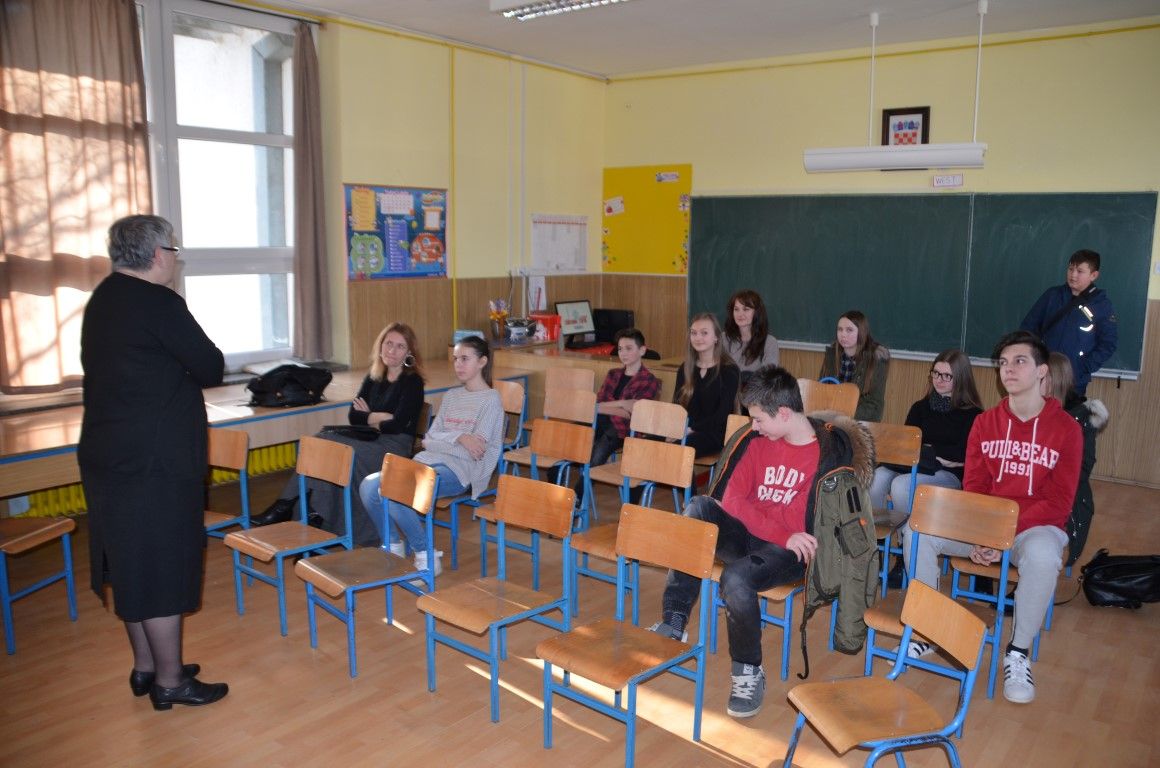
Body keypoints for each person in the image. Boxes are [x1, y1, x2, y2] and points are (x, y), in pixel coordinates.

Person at [650, 365, 874, 718]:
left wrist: (778, 531)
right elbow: (732, 501)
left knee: (736, 578)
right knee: (697, 508)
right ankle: (674, 619)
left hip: (790, 553)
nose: (753, 426)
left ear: (783, 413)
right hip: (767, 536)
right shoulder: (757, 443)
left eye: (758, 419)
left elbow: (799, 526)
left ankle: (748, 670)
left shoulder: (825, 456)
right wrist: (778, 529)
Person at [78, 215, 228, 710]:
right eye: (174, 250)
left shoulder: (103, 298)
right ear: (159, 254)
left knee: (131, 563)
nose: (176, 258)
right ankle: (170, 680)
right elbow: (210, 366)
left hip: (107, 455)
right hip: (155, 462)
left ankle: (146, 666)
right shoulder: (159, 302)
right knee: (162, 565)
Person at [902, 331, 1081, 704]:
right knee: (916, 532)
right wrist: (982, 534)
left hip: (1034, 528)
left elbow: (1059, 502)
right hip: (985, 523)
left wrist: (1001, 538)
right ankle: (930, 631)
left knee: (1044, 555)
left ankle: (1017, 652)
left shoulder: (1067, 429)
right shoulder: (985, 423)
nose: (1009, 369)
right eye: (1003, 363)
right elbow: (975, 488)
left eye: (1020, 361)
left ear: (1042, 371)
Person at [253, 323, 425, 546]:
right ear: (380, 346)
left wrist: (369, 416)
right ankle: (308, 513)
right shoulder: (374, 376)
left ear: (409, 352)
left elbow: (397, 426)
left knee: (336, 451)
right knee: (318, 442)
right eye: (388, 343)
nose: (392, 350)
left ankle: (295, 509)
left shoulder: (413, 382)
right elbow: (354, 416)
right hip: (368, 437)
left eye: (400, 346)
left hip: (393, 447)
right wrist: (380, 416)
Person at [358, 335, 503, 577]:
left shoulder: (491, 400)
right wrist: (459, 437)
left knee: (398, 490)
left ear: (482, 362)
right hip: (427, 461)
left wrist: (445, 440)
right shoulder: (452, 395)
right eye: (455, 359)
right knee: (369, 486)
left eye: (465, 359)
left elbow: (475, 452)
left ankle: (426, 555)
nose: (458, 364)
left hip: (461, 471)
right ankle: (393, 545)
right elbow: (427, 440)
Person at [869, 349, 983, 585]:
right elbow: (907, 446)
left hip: (948, 475)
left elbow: (961, 456)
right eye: (936, 373)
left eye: (947, 376)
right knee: (876, 478)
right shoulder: (920, 408)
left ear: (961, 379)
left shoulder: (973, 415)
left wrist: (930, 451)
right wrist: (933, 453)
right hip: (914, 465)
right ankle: (875, 550)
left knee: (902, 486)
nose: (939, 380)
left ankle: (905, 553)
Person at [1020, 249, 1118, 395]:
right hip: (1042, 376)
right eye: (1071, 269)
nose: (1073, 275)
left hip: (1074, 381)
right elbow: (1028, 329)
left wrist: (1082, 367)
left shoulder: (1101, 305)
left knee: (1067, 410)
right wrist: (1033, 360)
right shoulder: (1052, 296)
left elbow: (1108, 344)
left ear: (1093, 275)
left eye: (1080, 271)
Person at [1042, 352, 1108, 566]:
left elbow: (1083, 466)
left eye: (1040, 376)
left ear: (1054, 380)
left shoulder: (1079, 417)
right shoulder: (1032, 408)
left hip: (1067, 493)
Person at [590, 327, 661, 469]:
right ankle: (556, 477)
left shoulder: (649, 379)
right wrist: (623, 403)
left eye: (629, 348)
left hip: (624, 429)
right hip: (601, 420)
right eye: (620, 349)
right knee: (574, 434)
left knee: (598, 452)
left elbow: (632, 413)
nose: (623, 353)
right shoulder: (613, 374)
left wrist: (600, 407)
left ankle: (583, 483)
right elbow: (599, 402)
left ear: (642, 350)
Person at [674, 313, 740, 457]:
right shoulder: (685, 368)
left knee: (676, 450)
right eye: (694, 333)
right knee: (648, 442)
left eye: (704, 333)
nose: (698, 338)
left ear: (716, 337)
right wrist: (678, 429)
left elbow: (722, 415)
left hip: (715, 433)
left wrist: (692, 429)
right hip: (686, 430)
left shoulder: (729, 370)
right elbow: (676, 406)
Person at [818, 310, 890, 421]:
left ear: (861, 332)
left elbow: (874, 405)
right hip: (831, 420)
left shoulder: (875, 359)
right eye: (840, 329)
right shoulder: (832, 354)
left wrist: (843, 413)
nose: (843, 334)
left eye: (849, 330)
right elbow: (820, 390)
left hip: (859, 422)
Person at [722, 290, 779, 386]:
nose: (740, 314)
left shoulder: (769, 342)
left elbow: (768, 377)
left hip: (755, 393)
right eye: (736, 309)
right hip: (727, 390)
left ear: (756, 312)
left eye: (746, 309)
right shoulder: (724, 338)